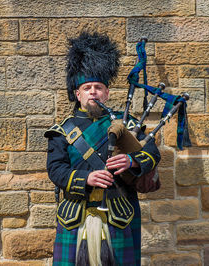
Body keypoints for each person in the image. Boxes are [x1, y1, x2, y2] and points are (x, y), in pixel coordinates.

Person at [45, 32, 161, 266]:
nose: (93, 92)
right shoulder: (61, 131)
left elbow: (153, 153)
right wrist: (86, 178)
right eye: (87, 88)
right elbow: (55, 169)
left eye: (98, 87)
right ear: (78, 95)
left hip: (119, 214)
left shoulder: (127, 123)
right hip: (74, 215)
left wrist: (133, 162)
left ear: (106, 93)